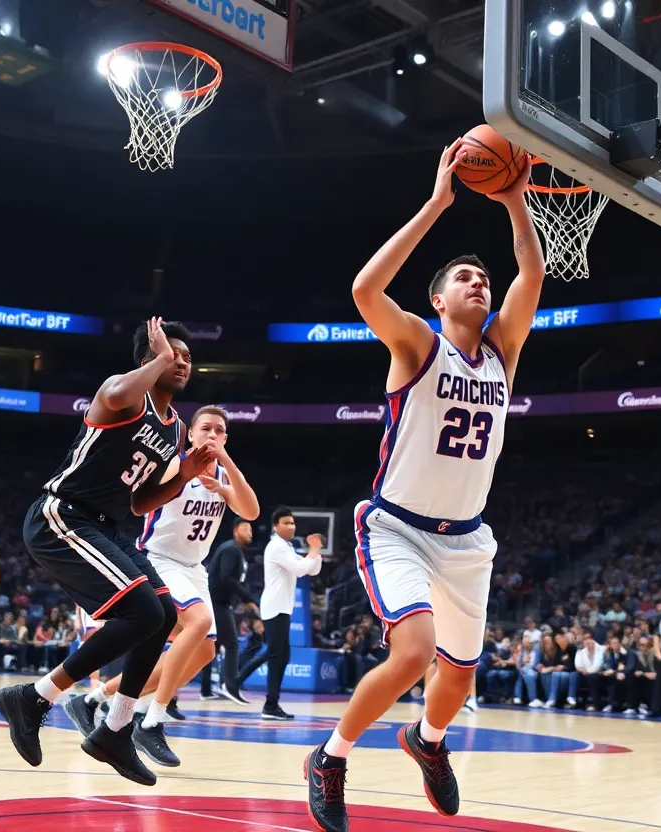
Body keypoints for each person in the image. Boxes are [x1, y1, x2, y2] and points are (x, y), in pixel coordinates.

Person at [305, 134, 543, 832]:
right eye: (465, 279)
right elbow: (363, 290)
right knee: (412, 654)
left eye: (482, 279)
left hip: (467, 541)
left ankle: (426, 742)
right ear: (438, 301)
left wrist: (515, 201)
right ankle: (331, 756)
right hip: (397, 528)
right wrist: (439, 202)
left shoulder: (503, 353)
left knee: (460, 677)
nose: (481, 283)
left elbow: (530, 272)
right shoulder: (416, 343)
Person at [0, 318, 216, 787]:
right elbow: (113, 397)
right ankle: (36, 696)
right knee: (140, 609)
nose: (182, 361)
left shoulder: (177, 431)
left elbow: (139, 501)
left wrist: (182, 476)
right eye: (172, 353)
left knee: (160, 611)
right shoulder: (123, 393)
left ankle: (115, 728)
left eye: (187, 357)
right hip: (63, 515)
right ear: (149, 358)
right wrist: (157, 359)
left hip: (108, 526)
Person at [64, 405, 260, 767]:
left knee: (204, 652)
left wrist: (227, 467)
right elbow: (139, 503)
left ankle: (93, 700)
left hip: (193, 568)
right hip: (157, 560)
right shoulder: (176, 464)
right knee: (199, 622)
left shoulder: (222, 476)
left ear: (226, 439)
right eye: (206, 428)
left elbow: (251, 512)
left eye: (219, 431)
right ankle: (152, 718)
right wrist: (185, 478)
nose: (212, 435)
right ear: (191, 434)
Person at [240, 506, 322, 720]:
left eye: (293, 523)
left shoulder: (286, 547)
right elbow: (301, 569)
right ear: (276, 526)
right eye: (286, 522)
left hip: (281, 608)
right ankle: (265, 701)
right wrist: (312, 551)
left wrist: (316, 551)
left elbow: (312, 569)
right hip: (275, 607)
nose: (291, 526)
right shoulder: (276, 546)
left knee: (279, 655)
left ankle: (246, 688)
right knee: (277, 654)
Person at [202, 518, 259, 702]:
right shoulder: (231, 549)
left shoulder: (236, 552)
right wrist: (247, 599)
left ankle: (205, 691)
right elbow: (226, 578)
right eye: (245, 528)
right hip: (217, 602)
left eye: (251, 529)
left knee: (213, 647)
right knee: (232, 644)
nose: (250, 532)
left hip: (221, 602)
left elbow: (230, 579)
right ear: (236, 531)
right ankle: (230, 686)